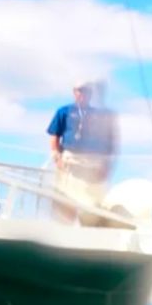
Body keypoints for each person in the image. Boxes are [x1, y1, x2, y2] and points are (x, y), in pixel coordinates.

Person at [46, 80, 118, 225]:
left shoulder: (98, 115)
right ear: (74, 92)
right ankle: (64, 227)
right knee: (66, 198)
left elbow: (107, 142)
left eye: (85, 91)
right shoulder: (63, 111)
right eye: (79, 91)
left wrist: (106, 165)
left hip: (91, 163)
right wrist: (56, 156)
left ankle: (89, 227)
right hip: (70, 160)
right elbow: (54, 135)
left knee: (91, 202)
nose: (82, 94)